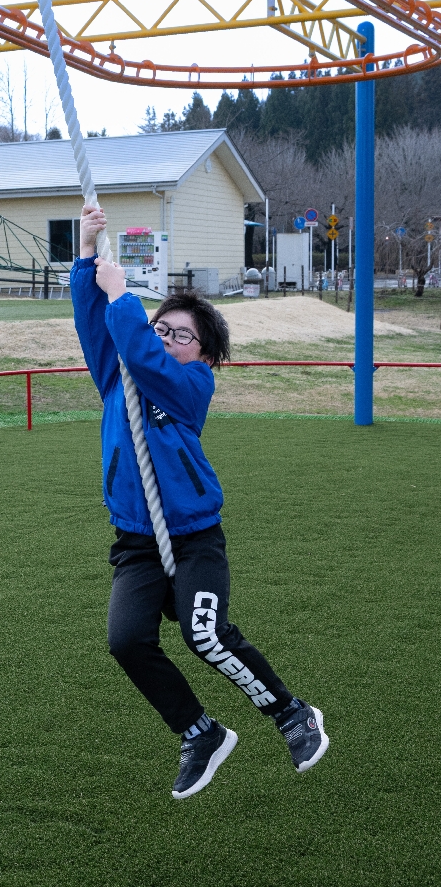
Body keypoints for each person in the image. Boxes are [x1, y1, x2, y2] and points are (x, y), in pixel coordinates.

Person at [71, 202, 329, 799]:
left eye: (179, 334)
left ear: (205, 355)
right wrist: (87, 255)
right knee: (126, 641)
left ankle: (292, 714)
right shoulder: (118, 378)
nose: (165, 338)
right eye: (160, 328)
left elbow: (141, 351)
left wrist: (123, 301)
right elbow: (97, 327)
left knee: (204, 633)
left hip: (192, 537)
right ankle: (199, 732)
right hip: (137, 540)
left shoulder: (190, 386)